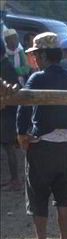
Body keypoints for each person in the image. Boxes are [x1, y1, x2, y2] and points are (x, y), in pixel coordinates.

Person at [16, 33, 67, 239]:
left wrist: (21, 136)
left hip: (43, 147)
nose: (33, 59)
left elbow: (23, 109)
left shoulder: (37, 79)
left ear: (42, 55)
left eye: (34, 54)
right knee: (64, 197)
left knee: (38, 196)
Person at [1, 39, 21, 191]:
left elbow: (15, 90)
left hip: (7, 113)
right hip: (6, 113)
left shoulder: (6, 68)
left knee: (9, 147)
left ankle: (15, 180)